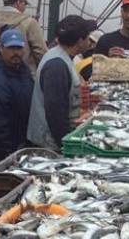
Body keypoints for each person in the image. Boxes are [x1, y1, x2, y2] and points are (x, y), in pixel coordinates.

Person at [27, 15, 96, 150]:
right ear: (80, 41)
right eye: (87, 37)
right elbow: (55, 113)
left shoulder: (60, 56)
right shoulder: (57, 66)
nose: (89, 40)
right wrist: (66, 146)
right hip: (49, 144)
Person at [0, 29, 35, 165]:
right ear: (1, 49)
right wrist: (8, 156)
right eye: (11, 48)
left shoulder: (23, 70)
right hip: (8, 151)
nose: (16, 52)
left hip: (23, 145)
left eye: (19, 48)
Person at [0, 0, 47, 72]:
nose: (25, 7)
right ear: (18, 2)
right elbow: (41, 52)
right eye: (24, 4)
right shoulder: (29, 22)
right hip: (23, 75)